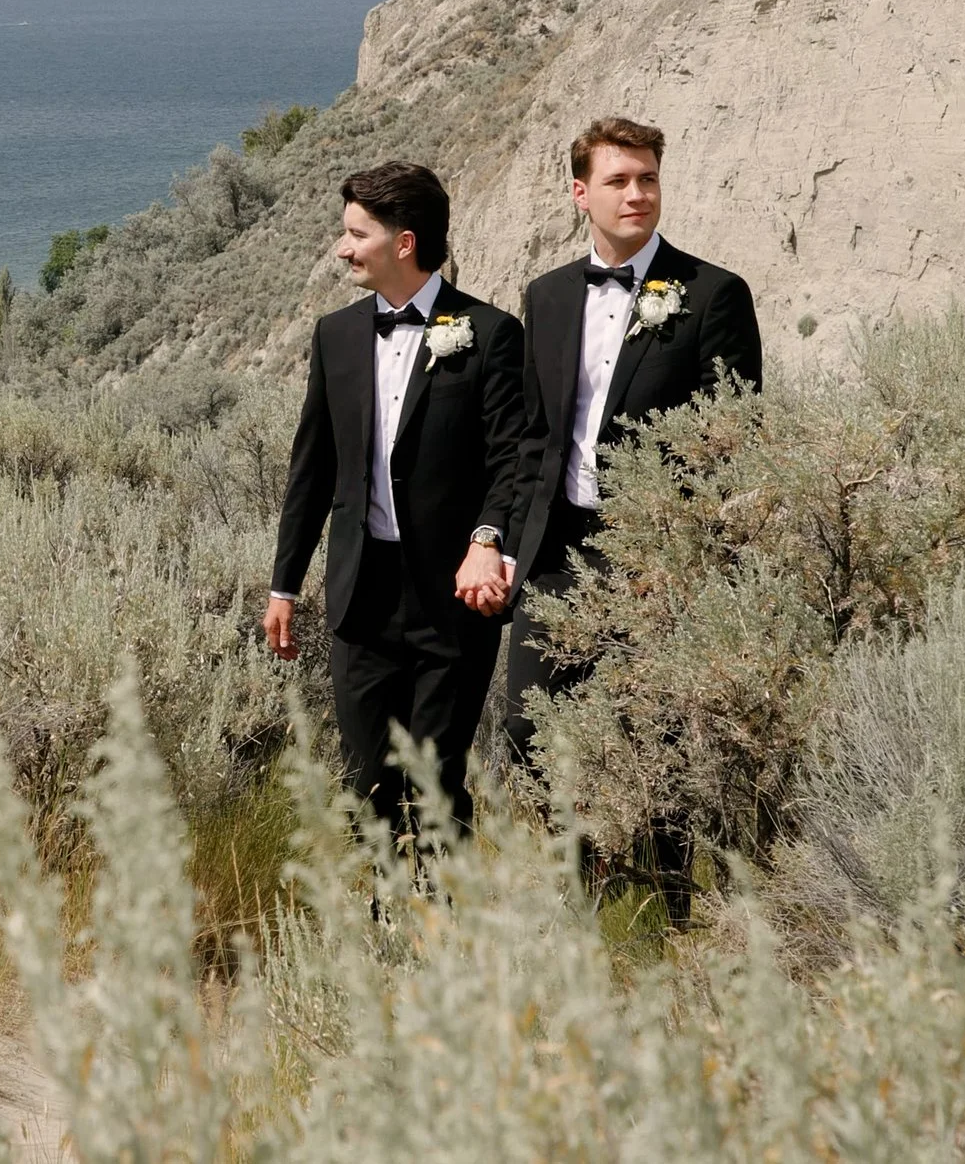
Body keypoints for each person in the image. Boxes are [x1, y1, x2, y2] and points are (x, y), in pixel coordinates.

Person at [505, 117, 763, 920]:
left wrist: (686, 554)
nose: (637, 193)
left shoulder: (714, 294)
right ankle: (577, 898)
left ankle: (666, 913)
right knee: (530, 725)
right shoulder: (545, 297)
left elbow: (735, 436)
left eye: (648, 177)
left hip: (657, 551)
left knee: (658, 732)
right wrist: (501, 541)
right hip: (557, 551)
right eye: (618, 180)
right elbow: (531, 436)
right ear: (581, 193)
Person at [264, 161, 527, 837]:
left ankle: (446, 929)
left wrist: (488, 540)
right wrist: (284, 585)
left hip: (451, 603)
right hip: (361, 597)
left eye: (357, 233)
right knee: (365, 786)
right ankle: (387, 935)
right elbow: (311, 469)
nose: (342, 248)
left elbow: (514, 461)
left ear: (403, 242)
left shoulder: (492, 335)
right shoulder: (336, 335)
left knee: (436, 786)